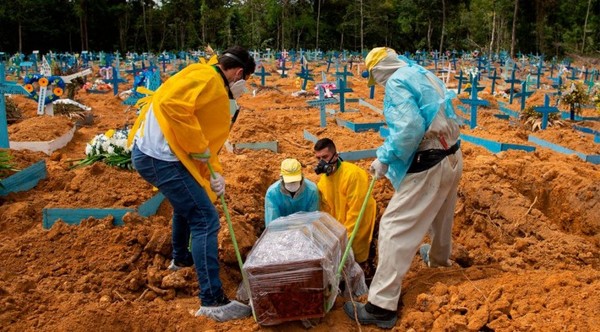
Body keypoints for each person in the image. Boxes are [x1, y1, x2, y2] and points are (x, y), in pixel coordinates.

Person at [128, 46, 256, 322]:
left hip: (163, 156)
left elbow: (206, 138)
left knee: (190, 202)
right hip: (159, 158)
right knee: (206, 219)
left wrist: (214, 176)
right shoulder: (208, 79)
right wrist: (199, 148)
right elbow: (172, 106)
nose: (244, 85)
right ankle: (212, 301)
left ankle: (181, 260)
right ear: (239, 73)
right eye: (246, 79)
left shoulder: (206, 76)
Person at [343, 47, 463, 329]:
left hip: (431, 157)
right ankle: (439, 261)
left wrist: (384, 158)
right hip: (453, 152)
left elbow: (409, 129)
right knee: (441, 215)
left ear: (379, 71)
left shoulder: (397, 82)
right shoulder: (420, 73)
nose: (380, 85)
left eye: (377, 79)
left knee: (393, 227)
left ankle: (381, 305)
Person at [313, 138, 376, 264]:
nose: (321, 162)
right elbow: (325, 213)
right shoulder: (323, 183)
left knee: (357, 263)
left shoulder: (353, 175)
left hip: (357, 230)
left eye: (325, 157)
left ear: (335, 156)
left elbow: (357, 213)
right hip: (340, 233)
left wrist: (344, 240)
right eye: (318, 158)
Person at [264, 158, 319, 226]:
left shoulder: (311, 191)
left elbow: (313, 219)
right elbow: (272, 224)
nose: (292, 184)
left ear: (301, 176)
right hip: (282, 232)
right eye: (289, 181)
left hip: (304, 231)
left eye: (295, 181)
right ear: (282, 178)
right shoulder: (272, 193)